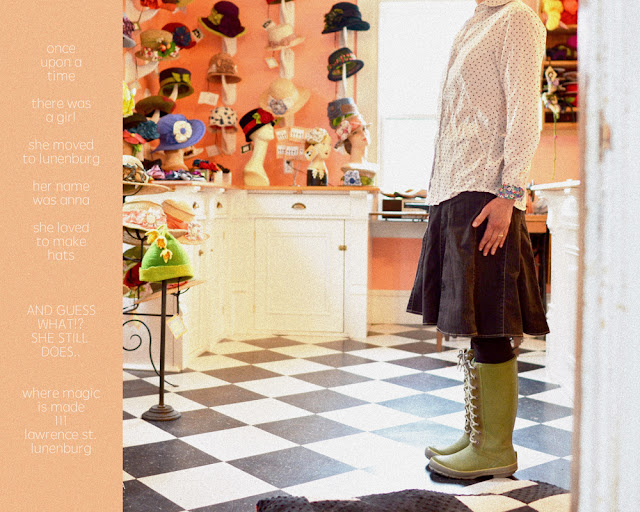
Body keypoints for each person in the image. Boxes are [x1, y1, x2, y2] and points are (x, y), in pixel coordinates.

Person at [407, 0, 549, 479]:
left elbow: (525, 113)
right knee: (474, 322)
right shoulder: (476, 23)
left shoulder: (517, 17)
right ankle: (478, 435)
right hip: (454, 190)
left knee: (491, 320)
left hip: (485, 193)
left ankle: (496, 450)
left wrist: (509, 194)